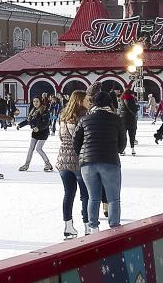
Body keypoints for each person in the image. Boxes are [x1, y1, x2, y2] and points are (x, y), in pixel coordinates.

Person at [74, 91, 123, 230]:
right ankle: (114, 228)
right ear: (110, 103)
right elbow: (122, 143)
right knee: (113, 199)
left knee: (93, 198)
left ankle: (93, 228)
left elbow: (76, 141)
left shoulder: (85, 119)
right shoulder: (116, 119)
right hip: (110, 162)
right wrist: (115, 150)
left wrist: (83, 155)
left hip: (87, 164)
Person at [56, 91, 90, 238]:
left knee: (68, 193)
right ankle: (88, 226)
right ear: (80, 101)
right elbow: (84, 139)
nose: (89, 102)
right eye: (87, 100)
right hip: (78, 160)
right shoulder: (83, 116)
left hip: (63, 160)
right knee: (86, 195)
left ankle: (68, 227)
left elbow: (60, 136)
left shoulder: (63, 116)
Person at [17, 97, 53, 172]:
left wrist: (39, 128)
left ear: (40, 102)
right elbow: (28, 120)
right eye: (34, 101)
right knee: (31, 148)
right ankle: (26, 165)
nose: (35, 103)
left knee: (38, 149)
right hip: (35, 132)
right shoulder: (33, 110)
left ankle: (48, 164)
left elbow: (47, 123)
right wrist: (20, 125)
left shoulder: (44, 110)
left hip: (43, 132)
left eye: (37, 101)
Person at [118, 88, 139, 156]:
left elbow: (120, 108)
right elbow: (133, 108)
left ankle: (122, 150)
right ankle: (133, 149)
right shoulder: (131, 98)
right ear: (130, 93)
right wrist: (136, 107)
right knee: (132, 134)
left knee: (123, 135)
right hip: (131, 118)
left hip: (123, 118)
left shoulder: (121, 99)